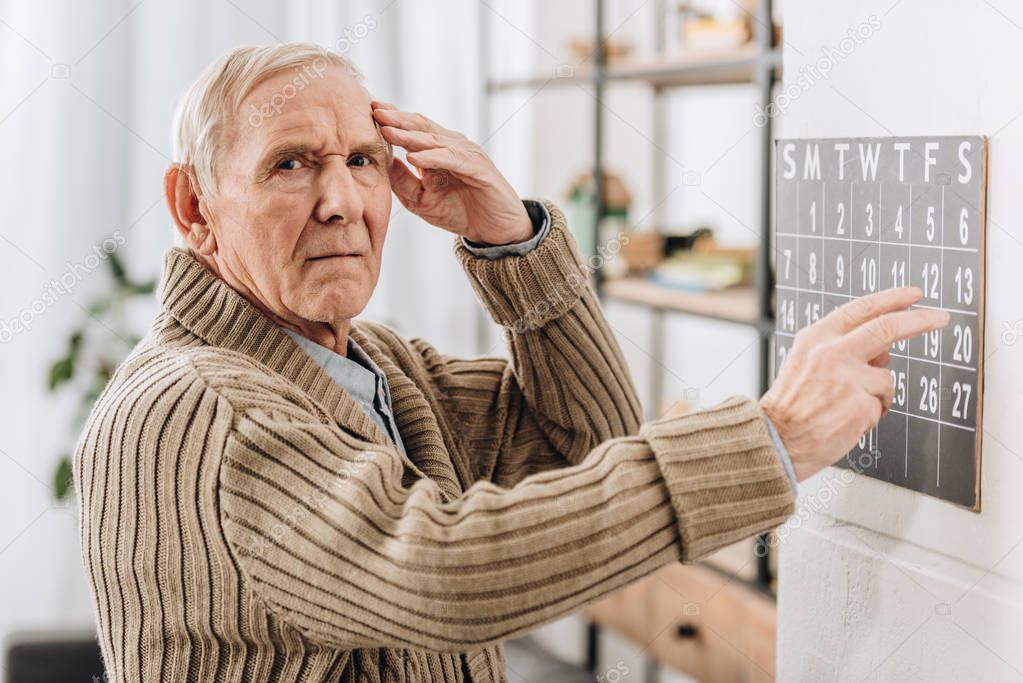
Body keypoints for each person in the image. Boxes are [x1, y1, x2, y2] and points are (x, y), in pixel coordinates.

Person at [73, 42, 949, 682]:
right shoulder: (188, 408)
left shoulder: (375, 366)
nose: (340, 200)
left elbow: (589, 439)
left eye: (363, 160)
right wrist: (772, 437)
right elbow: (442, 572)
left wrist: (512, 239)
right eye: (290, 164)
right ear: (195, 206)